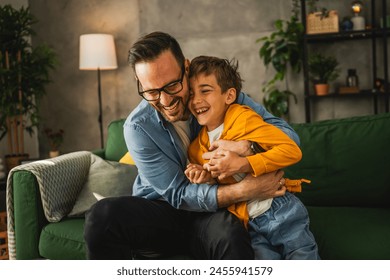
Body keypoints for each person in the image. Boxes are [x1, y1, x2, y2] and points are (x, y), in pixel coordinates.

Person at [84, 31, 300, 260]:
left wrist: (247, 149)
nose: (165, 101)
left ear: (186, 68)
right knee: (102, 215)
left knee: (231, 233)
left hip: (214, 213)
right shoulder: (137, 128)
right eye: (152, 92)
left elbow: (288, 137)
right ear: (140, 85)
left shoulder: (215, 93)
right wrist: (244, 190)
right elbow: (177, 194)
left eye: (172, 85)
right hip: (163, 211)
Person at [185, 55, 319, 260]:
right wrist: (204, 176)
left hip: (277, 208)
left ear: (229, 95)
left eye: (205, 90)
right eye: (191, 93)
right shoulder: (196, 148)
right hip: (247, 222)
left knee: (302, 258)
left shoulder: (242, 118)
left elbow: (291, 149)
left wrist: (244, 163)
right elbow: (220, 184)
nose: (196, 100)